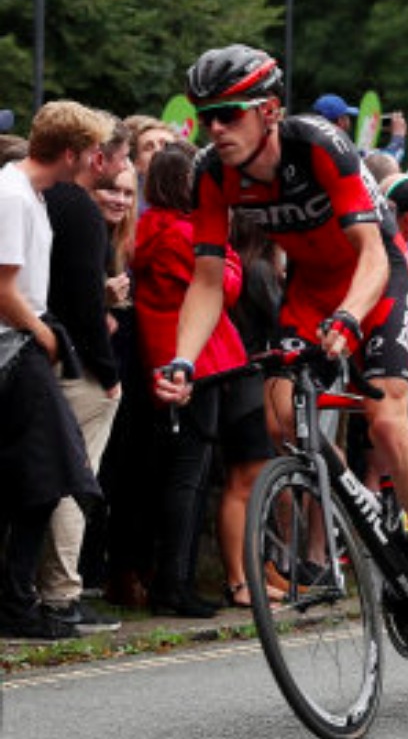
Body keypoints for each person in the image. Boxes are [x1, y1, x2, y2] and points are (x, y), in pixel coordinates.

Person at [153, 45, 408, 647]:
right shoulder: (211, 173)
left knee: (384, 423)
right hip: (308, 291)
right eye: (206, 117)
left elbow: (373, 254)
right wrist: (182, 359)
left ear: (270, 110)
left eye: (230, 114)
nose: (215, 129)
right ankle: (365, 520)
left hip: (375, 282)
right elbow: (204, 278)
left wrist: (351, 318)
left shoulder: (319, 144)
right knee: (283, 423)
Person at [134, 143, 273, 615]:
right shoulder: (181, 235)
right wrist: (227, 251)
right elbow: (226, 285)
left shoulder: (154, 227)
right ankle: (173, 585)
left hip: (180, 357)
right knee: (187, 479)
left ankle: (174, 580)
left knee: (184, 476)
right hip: (194, 361)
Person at [0, 100, 108, 639]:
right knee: (52, 472)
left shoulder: (32, 195)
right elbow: (3, 289)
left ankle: (17, 598)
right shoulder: (14, 196)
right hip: (16, 346)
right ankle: (17, 602)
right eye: (92, 151)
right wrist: (43, 335)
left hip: (26, 343)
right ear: (70, 153)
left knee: (43, 478)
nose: (98, 160)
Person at [40, 111, 132, 634]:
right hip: (76, 366)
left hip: (50, 354)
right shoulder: (77, 209)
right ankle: (62, 593)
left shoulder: (45, 199)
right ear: (96, 156)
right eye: (118, 160)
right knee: (75, 480)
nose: (118, 174)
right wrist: (107, 371)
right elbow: (77, 302)